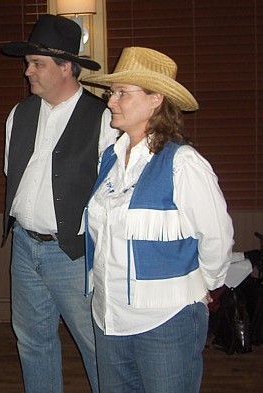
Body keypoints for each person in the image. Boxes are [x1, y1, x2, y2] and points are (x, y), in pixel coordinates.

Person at [81, 47, 234, 392]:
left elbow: (218, 238)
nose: (110, 101)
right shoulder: (110, 159)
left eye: (122, 93)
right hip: (109, 317)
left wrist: (201, 287)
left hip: (165, 320)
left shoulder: (184, 163)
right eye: (111, 92)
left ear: (155, 99)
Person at [1, 14, 118, 393]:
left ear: (67, 67)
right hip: (23, 245)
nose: (27, 72)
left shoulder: (103, 119)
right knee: (32, 343)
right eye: (27, 64)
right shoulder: (19, 114)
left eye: (37, 64)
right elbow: (12, 173)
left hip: (72, 253)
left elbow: (111, 195)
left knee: (96, 345)